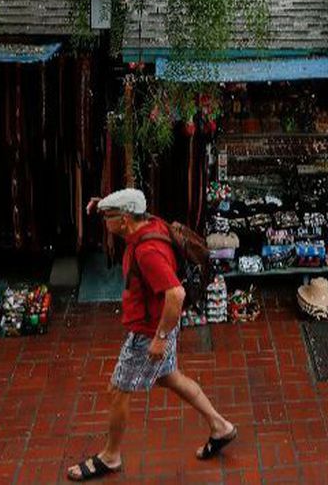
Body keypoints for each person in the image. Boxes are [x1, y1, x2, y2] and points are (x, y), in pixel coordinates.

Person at [66, 188, 236, 482]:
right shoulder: (150, 223)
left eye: (109, 216)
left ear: (125, 219)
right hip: (158, 326)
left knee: (117, 391)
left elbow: (176, 294)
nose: (105, 222)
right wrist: (101, 204)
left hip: (149, 332)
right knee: (170, 377)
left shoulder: (147, 251)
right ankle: (220, 426)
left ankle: (110, 456)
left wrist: (158, 338)